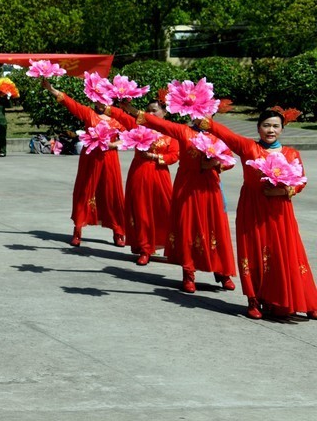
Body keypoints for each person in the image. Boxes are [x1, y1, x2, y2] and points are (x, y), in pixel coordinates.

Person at [203, 109, 316, 319]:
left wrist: (283, 191)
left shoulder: (291, 153)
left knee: (286, 253)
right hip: (252, 209)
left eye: (275, 126)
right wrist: (206, 119)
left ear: (282, 129)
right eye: (266, 125)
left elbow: (301, 181)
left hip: (280, 212)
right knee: (253, 252)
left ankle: (303, 300)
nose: (270, 130)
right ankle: (254, 300)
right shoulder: (249, 147)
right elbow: (227, 135)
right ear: (258, 128)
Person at [140, 109, 237, 293]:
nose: (202, 118)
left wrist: (217, 164)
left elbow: (230, 158)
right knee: (188, 228)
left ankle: (222, 272)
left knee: (215, 227)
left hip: (210, 188)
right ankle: (188, 273)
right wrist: (129, 110)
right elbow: (159, 123)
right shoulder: (183, 131)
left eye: (207, 114)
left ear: (213, 116)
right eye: (198, 114)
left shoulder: (218, 134)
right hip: (187, 186)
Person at [42, 78, 127, 247]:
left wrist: (114, 144)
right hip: (90, 158)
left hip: (110, 160)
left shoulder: (118, 117)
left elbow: (127, 137)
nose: (100, 102)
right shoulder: (88, 113)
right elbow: (69, 103)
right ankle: (78, 229)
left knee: (112, 194)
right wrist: (51, 89)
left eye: (104, 98)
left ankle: (118, 231)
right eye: (97, 98)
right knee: (85, 191)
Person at [106, 100, 179, 266]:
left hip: (160, 175)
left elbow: (174, 155)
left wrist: (155, 156)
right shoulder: (139, 127)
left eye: (154, 111)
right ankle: (145, 248)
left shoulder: (171, 131)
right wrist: (116, 106)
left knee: (165, 210)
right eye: (148, 111)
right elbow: (121, 116)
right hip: (139, 173)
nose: (150, 114)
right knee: (141, 211)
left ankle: (173, 246)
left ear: (165, 112)